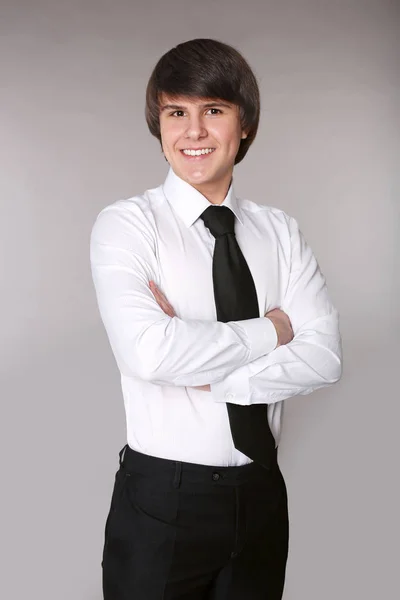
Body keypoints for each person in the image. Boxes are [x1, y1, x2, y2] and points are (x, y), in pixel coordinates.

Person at [90, 38, 342, 600]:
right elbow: (148, 354)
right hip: (162, 499)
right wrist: (272, 331)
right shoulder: (129, 226)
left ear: (244, 124)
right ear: (159, 126)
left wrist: (209, 371)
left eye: (213, 111)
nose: (194, 132)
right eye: (176, 113)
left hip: (260, 495)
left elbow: (325, 359)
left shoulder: (280, 232)